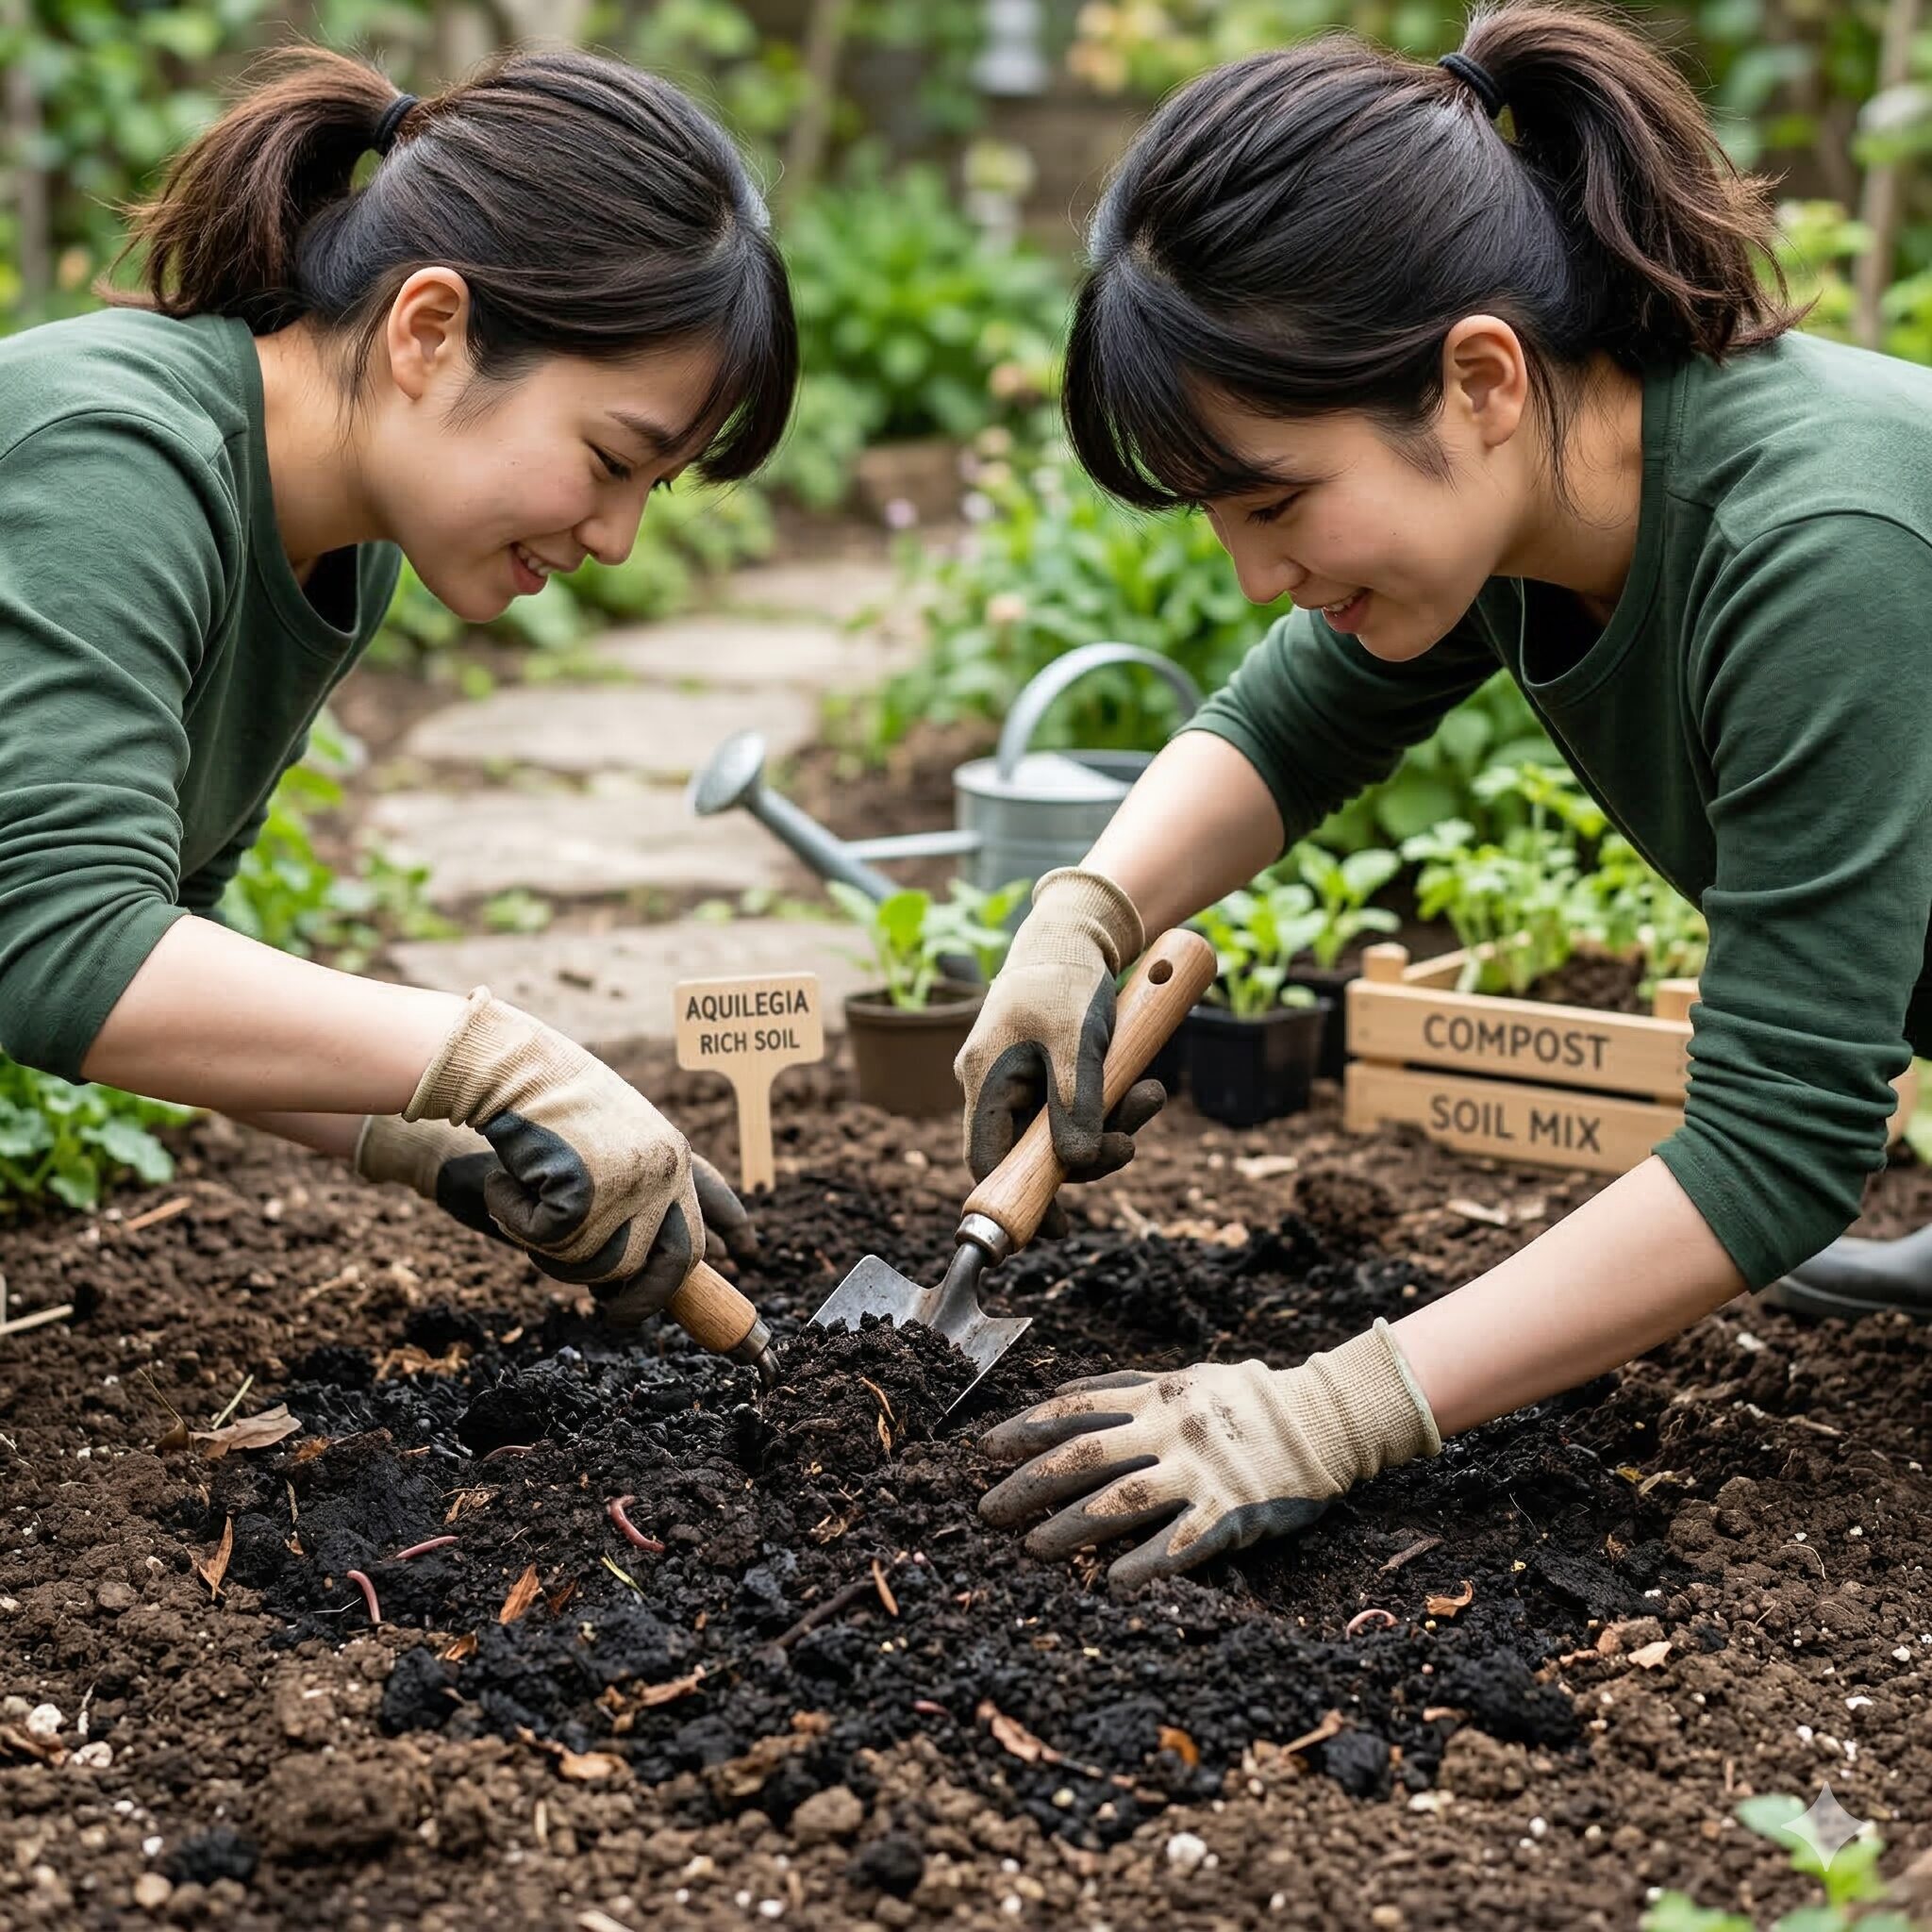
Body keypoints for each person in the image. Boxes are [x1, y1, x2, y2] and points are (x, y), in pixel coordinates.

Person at [958, 0, 1932, 1590]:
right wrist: (1083, 916)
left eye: (1274, 499)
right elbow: (1290, 724)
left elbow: (1781, 1142)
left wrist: (1335, 1409)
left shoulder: (1818, 547)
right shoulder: (1545, 505)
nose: (1259, 570)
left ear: (1479, 376)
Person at [0, 46, 797, 1325]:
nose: (618, 540)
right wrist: (489, 1060)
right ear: (431, 331)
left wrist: (426, 1139)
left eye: (651, 491)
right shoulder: (113, 462)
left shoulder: (342, 553)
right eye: (609, 460)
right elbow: (61, 945)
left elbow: (157, 955)